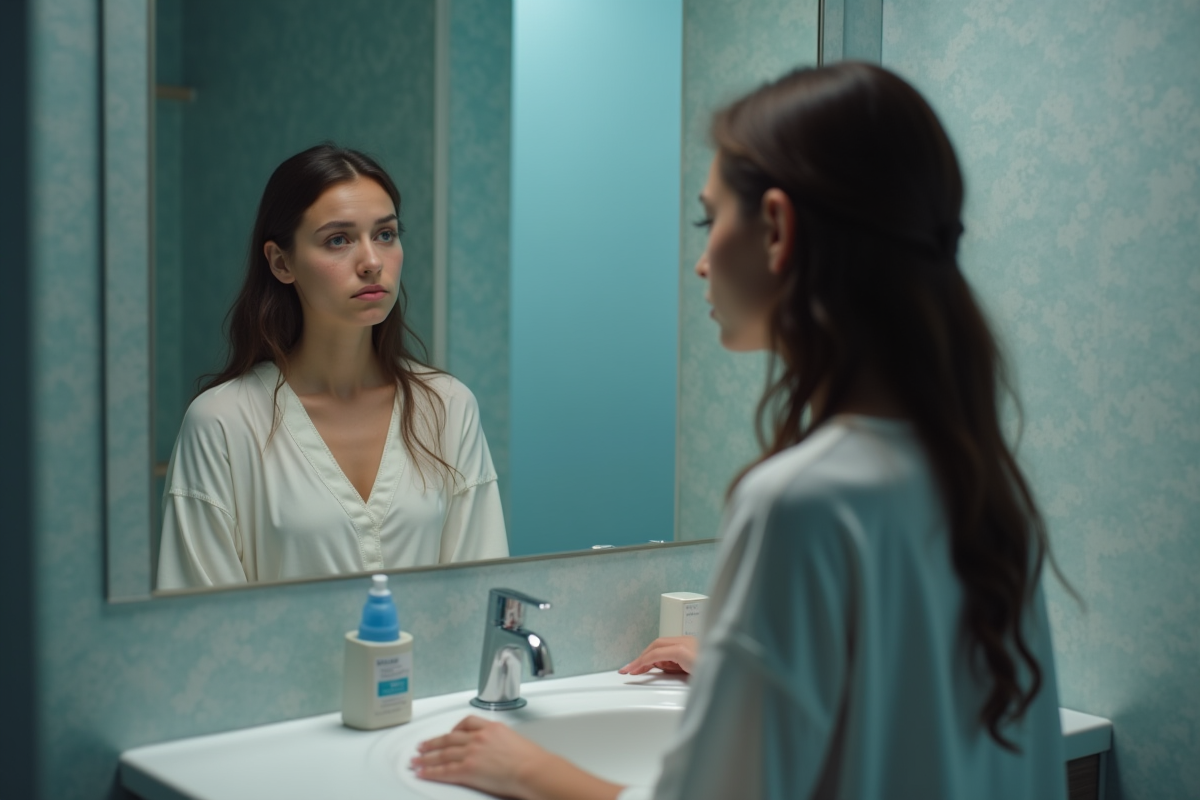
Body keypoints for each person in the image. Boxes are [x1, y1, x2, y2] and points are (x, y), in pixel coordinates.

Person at [410, 62, 1070, 800]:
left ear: (778, 228)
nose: (700, 262)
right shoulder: (981, 485)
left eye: (708, 219)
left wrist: (530, 769)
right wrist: (750, 672)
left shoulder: (802, 502)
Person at [156, 144, 507, 589]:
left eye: (386, 234)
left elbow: (479, 593)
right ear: (281, 262)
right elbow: (201, 619)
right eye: (338, 240)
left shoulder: (447, 407)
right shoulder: (221, 423)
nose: (372, 262)